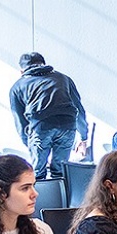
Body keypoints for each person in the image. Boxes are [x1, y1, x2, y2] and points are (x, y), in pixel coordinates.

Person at [7, 51, 89, 180]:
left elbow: (19, 120)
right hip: (67, 125)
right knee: (60, 171)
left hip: (40, 128)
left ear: (21, 71)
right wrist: (83, 137)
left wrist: (28, 142)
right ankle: (61, 198)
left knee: (37, 173)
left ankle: (40, 199)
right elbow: (79, 109)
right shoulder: (64, 79)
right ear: (44, 64)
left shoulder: (17, 87)